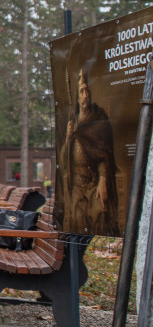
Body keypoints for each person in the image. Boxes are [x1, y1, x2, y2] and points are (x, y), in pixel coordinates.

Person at [62, 69, 118, 235]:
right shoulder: (73, 122)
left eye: (87, 90)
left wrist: (102, 180)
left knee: (100, 213)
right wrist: (68, 137)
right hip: (77, 185)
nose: (86, 95)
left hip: (93, 182)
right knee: (78, 219)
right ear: (77, 97)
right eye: (81, 91)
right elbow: (65, 160)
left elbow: (104, 154)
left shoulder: (98, 118)